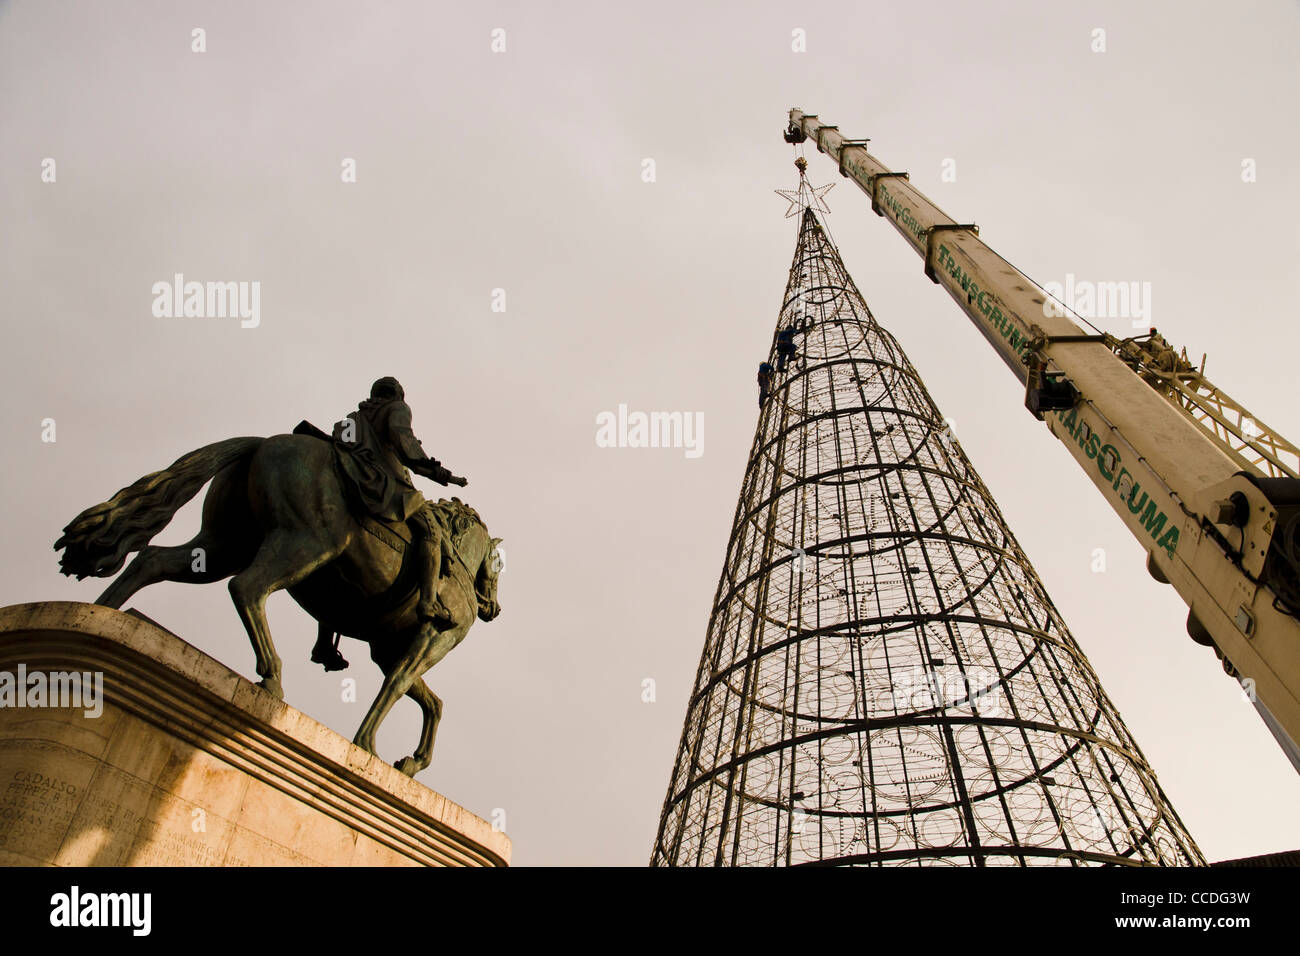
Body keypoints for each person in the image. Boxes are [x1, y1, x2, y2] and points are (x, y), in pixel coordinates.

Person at [313, 377, 467, 671]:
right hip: (384, 483)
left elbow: (339, 440)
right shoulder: (397, 408)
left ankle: (324, 641)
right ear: (397, 395)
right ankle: (428, 601)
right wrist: (442, 474)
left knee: (329, 554)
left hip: (352, 476)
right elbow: (405, 444)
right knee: (432, 531)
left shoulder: (355, 416)